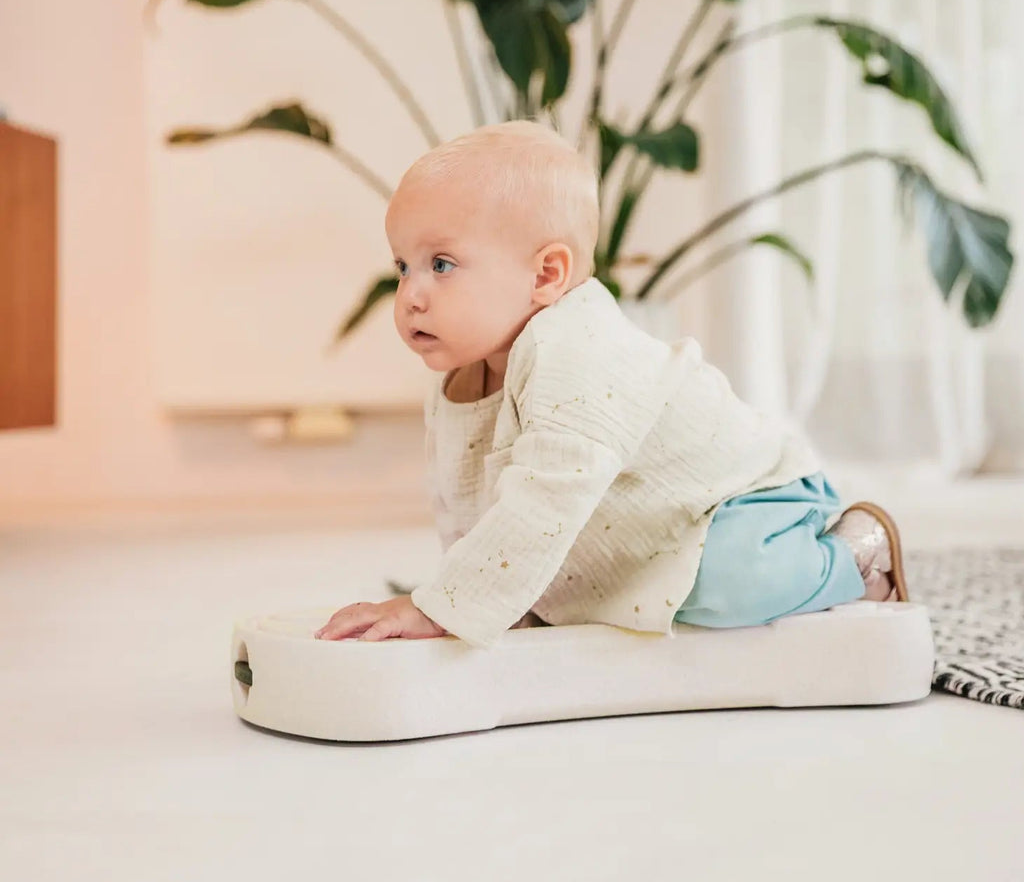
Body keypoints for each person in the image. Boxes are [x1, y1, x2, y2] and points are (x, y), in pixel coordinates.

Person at [315, 120, 909, 648]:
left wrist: (444, 607)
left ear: (546, 275)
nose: (410, 295)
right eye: (403, 267)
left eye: (441, 265)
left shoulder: (574, 346)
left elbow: (548, 492)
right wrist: (470, 606)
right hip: (642, 529)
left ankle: (858, 555)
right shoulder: (460, 376)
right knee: (603, 597)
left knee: (729, 583)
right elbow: (469, 507)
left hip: (741, 502)